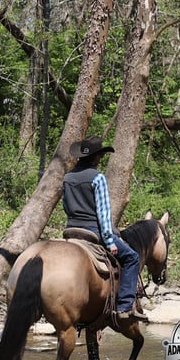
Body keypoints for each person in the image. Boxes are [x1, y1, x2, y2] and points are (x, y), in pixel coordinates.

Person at [62, 135, 147, 321]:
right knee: (132, 257)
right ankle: (124, 306)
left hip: (71, 230)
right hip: (93, 231)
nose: (100, 158)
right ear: (95, 157)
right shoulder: (97, 178)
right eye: (99, 155)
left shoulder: (67, 177)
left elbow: (66, 206)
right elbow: (103, 213)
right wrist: (109, 240)